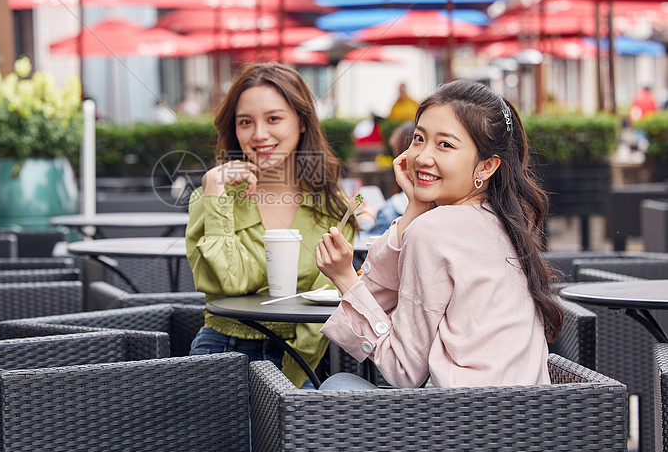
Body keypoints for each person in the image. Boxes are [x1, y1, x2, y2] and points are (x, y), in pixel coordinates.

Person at [314, 80, 562, 389]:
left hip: (461, 427)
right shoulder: (504, 221)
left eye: (444, 144)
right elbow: (387, 296)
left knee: (336, 387)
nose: (421, 157)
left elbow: (403, 371)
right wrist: (415, 207)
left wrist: (345, 279)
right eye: (418, 139)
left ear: (486, 166)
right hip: (530, 423)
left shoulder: (433, 230)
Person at [186, 62, 357, 387]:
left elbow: (328, 299)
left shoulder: (331, 206)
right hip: (219, 353)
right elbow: (222, 282)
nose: (259, 134)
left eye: (274, 118)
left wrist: (291, 378)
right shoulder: (212, 195)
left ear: (302, 122)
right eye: (245, 122)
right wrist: (215, 195)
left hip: (296, 361)